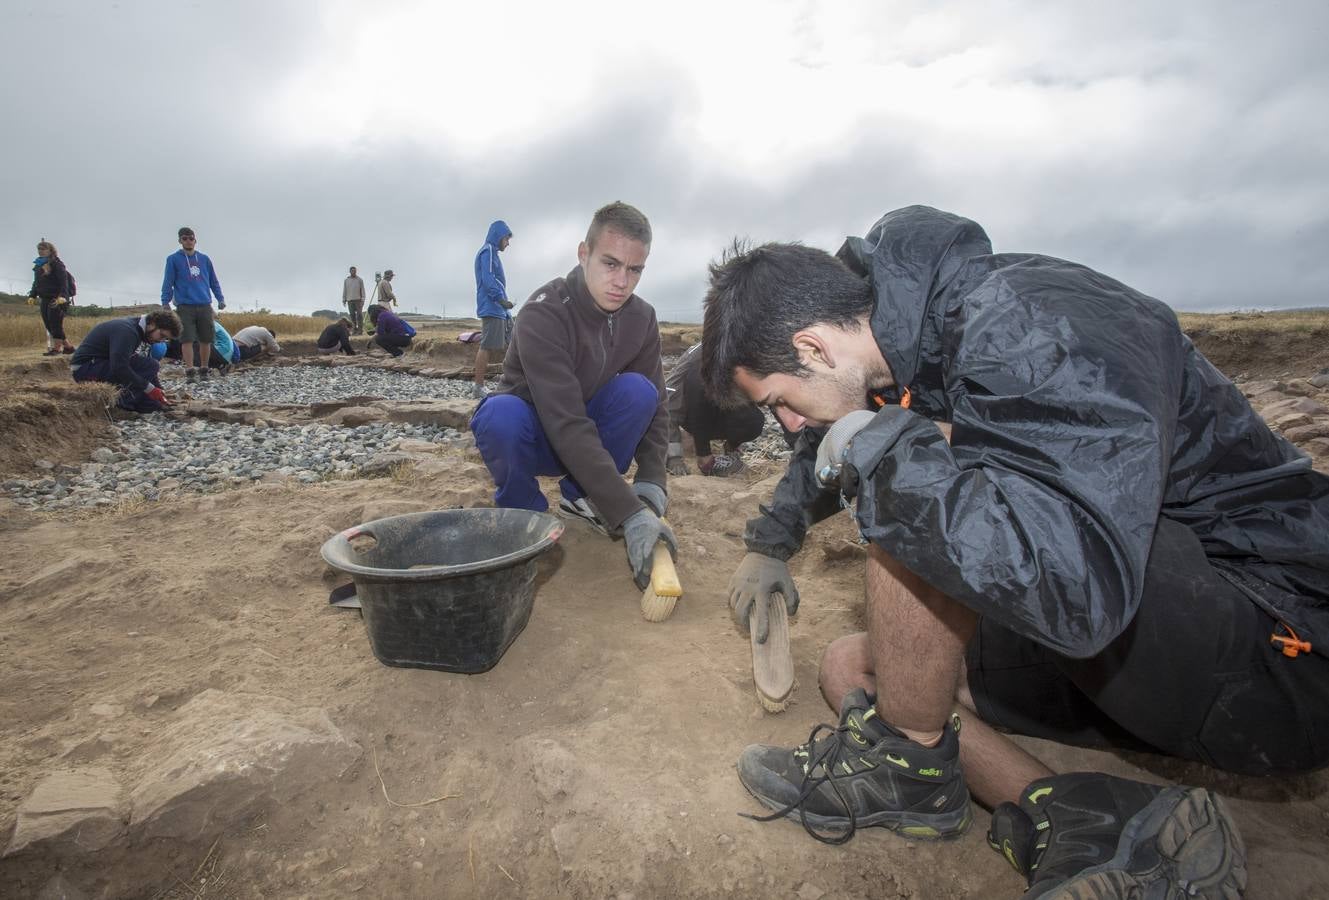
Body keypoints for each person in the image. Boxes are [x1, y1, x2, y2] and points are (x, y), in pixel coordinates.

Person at [700, 206, 1327, 897]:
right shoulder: (902, 343)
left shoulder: (1034, 326)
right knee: (855, 665)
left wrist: (890, 455)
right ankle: (1079, 816)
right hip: (1131, 625)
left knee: (913, 479)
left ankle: (906, 761)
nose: (789, 424)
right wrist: (770, 543)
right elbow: (842, 428)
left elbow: (1077, 590)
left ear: (814, 347)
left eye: (780, 402)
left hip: (1281, 640)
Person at [469, 202, 674, 590]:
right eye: (610, 264)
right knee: (500, 415)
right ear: (584, 254)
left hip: (586, 439)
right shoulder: (543, 313)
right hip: (536, 435)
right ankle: (526, 516)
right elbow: (564, 421)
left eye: (635, 270)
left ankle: (582, 497)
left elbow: (658, 406)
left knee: (640, 392)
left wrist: (652, 479)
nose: (622, 281)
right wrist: (630, 513)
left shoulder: (642, 318)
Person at [665, 342, 767, 476]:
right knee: (697, 398)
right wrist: (676, 458)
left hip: (717, 406)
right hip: (690, 411)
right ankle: (695, 444)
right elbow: (668, 407)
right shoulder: (701, 357)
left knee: (752, 421)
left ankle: (731, 447)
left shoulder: (743, 348)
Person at [70, 309, 181, 412]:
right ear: (152, 323)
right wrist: (150, 388)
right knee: (151, 365)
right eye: (161, 335)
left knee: (152, 405)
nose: (159, 341)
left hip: (100, 364)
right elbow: (119, 367)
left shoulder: (135, 329)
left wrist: (159, 391)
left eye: (164, 339)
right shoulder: (128, 331)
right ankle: (121, 406)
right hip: (85, 369)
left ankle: (134, 403)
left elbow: (130, 361)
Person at [161, 226, 224, 384]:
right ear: (180, 241)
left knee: (206, 338)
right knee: (186, 339)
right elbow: (168, 281)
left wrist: (220, 298)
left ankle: (204, 369)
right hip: (185, 305)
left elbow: (213, 281)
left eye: (191, 238)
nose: (188, 241)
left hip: (204, 304)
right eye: (185, 238)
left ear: (195, 240)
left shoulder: (204, 259)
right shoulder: (173, 259)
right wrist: (165, 301)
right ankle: (189, 371)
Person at [472, 220, 514, 400]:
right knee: (487, 345)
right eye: (506, 239)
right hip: (492, 306)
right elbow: (488, 279)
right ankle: (478, 386)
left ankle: (511, 380)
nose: (508, 243)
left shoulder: (493, 253)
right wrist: (501, 300)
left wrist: (505, 307)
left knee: (512, 341)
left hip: (498, 308)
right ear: (499, 236)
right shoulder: (487, 251)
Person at [27, 240, 75, 356]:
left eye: (44, 249)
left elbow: (64, 282)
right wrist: (32, 295)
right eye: (39, 249)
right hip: (44, 298)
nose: (41, 251)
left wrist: (63, 296)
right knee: (48, 324)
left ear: (50, 250)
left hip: (57, 299)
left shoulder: (57, 264)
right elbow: (36, 283)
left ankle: (57, 349)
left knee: (55, 324)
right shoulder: (38, 265)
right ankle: (68, 347)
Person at [343, 266, 367, 334]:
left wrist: (363, 299)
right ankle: (354, 329)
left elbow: (362, 290)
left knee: (359, 315)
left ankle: (360, 330)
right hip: (350, 300)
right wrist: (344, 299)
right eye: (352, 271)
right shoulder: (346, 280)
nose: (353, 272)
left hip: (358, 300)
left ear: (356, 271)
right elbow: (345, 290)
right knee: (352, 315)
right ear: (350, 271)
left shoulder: (359, 280)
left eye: (354, 271)